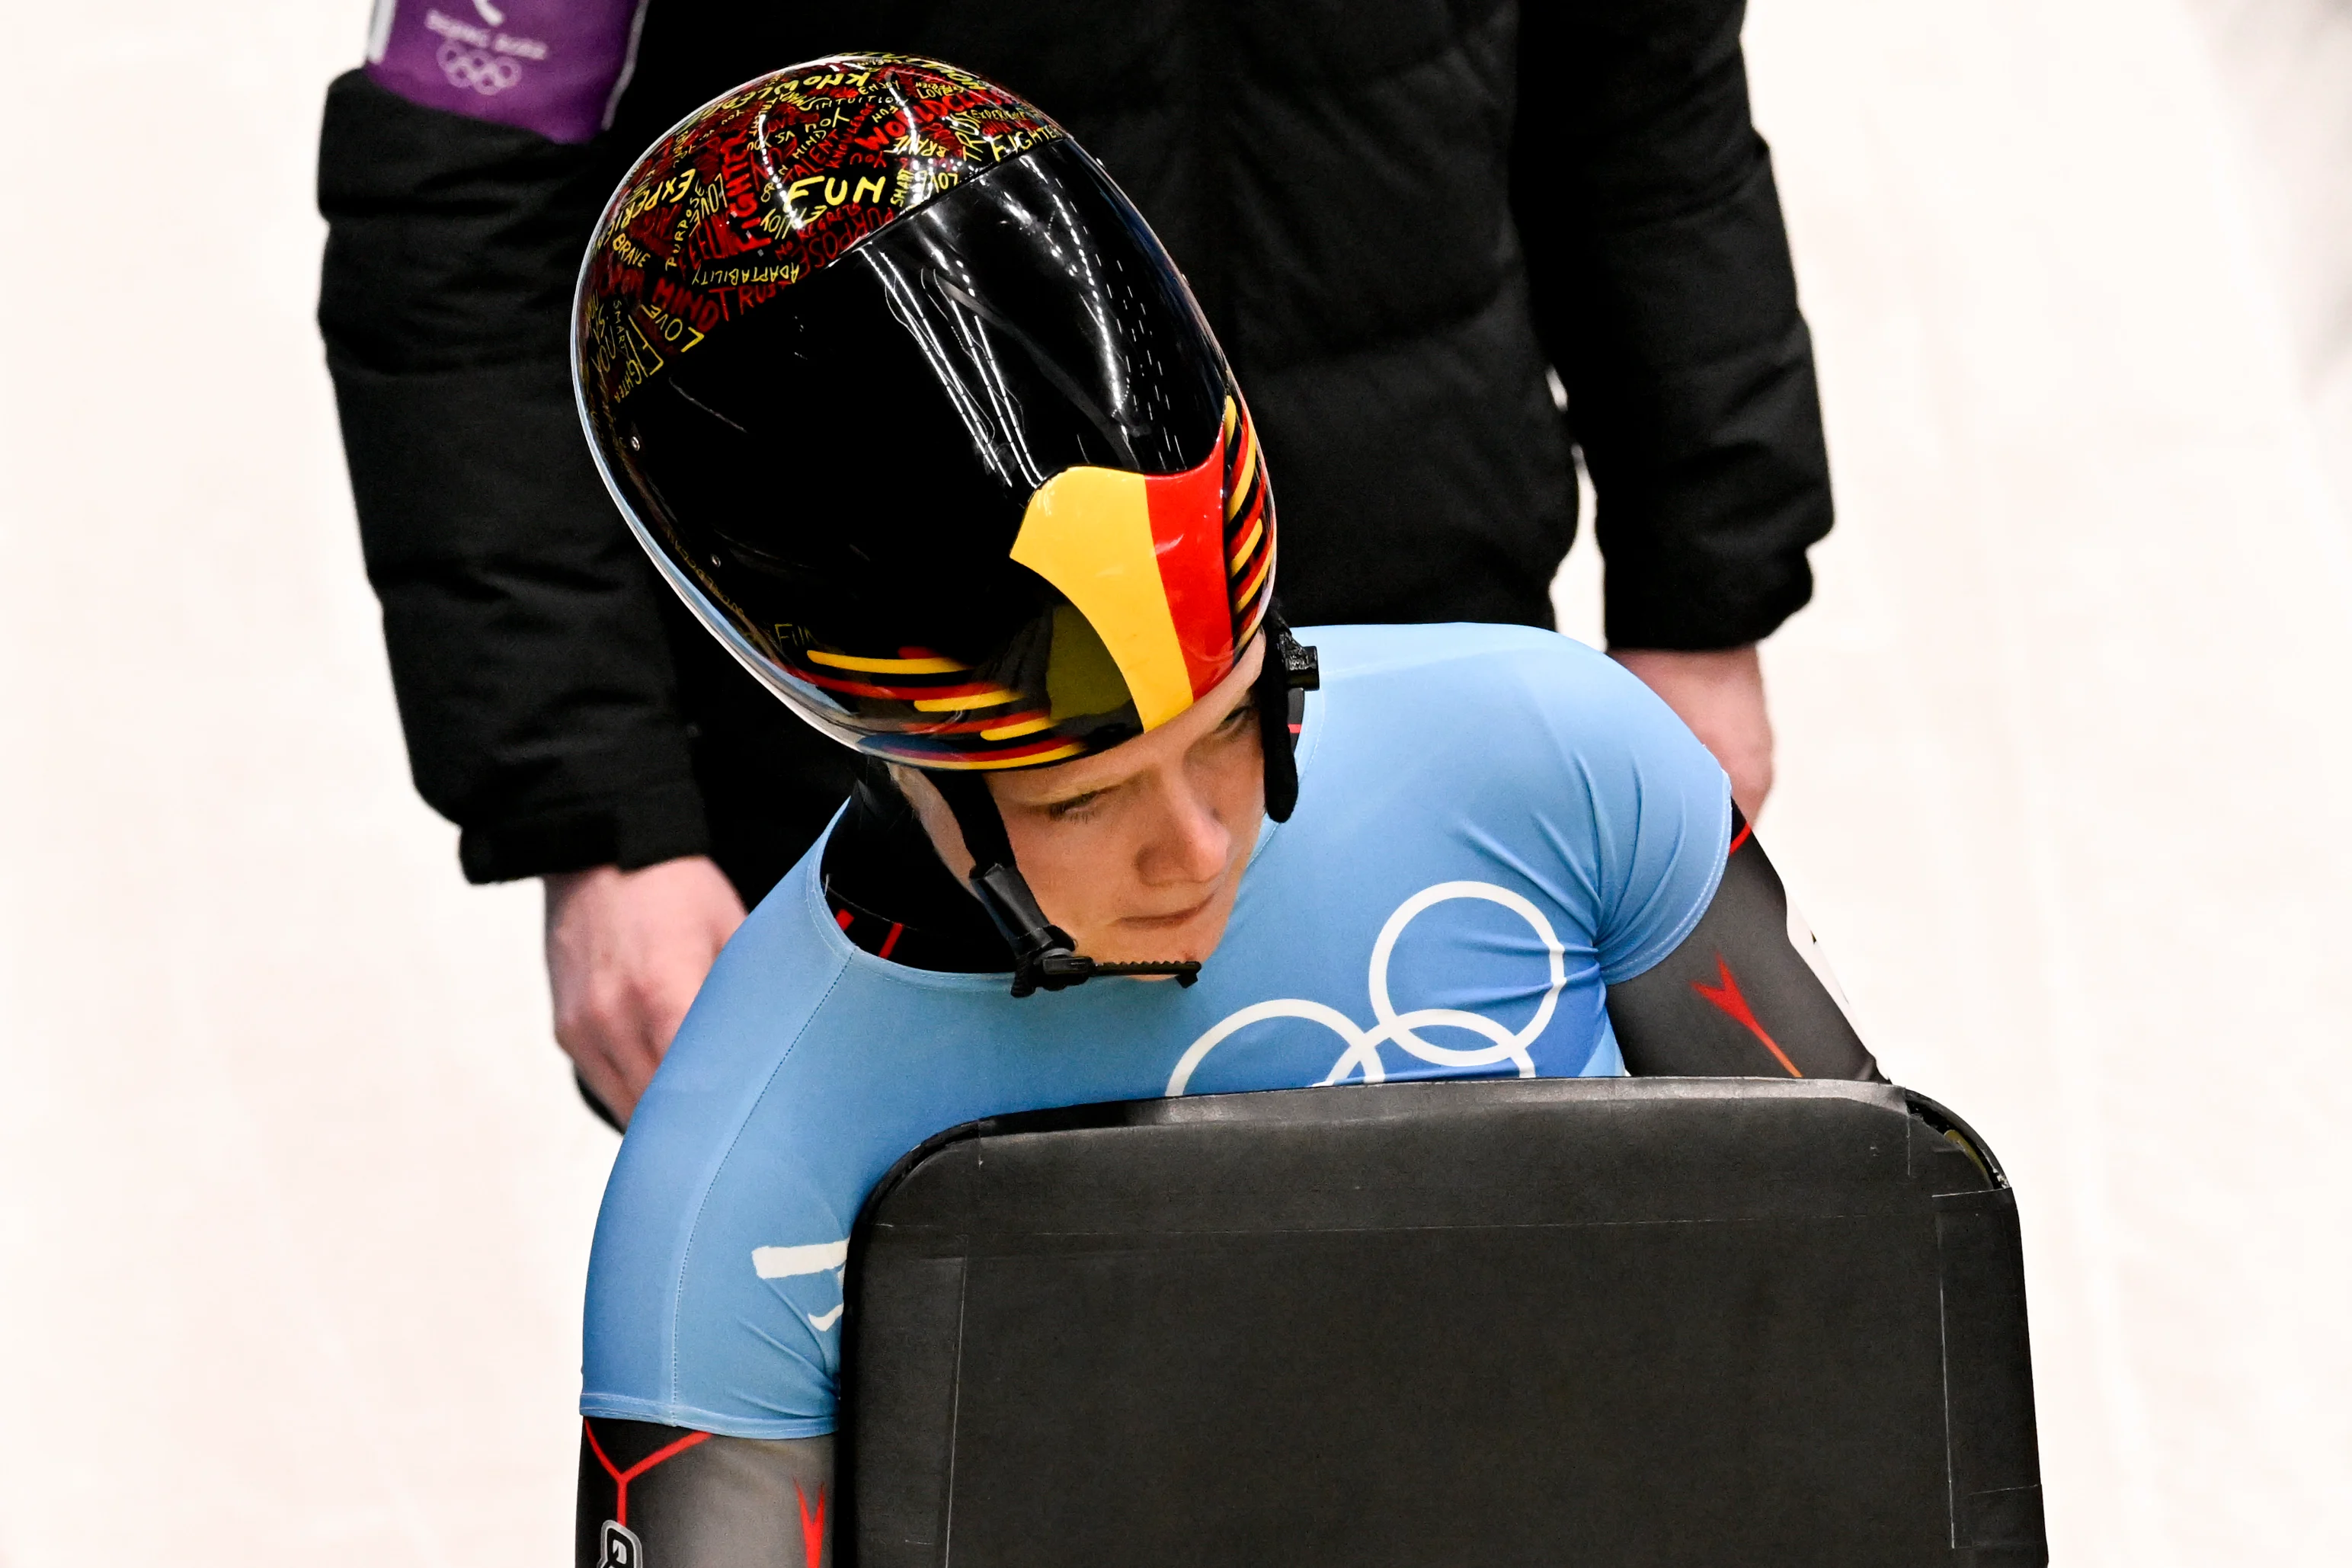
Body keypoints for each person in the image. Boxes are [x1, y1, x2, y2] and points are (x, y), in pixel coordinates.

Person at [560, 60, 1874, 1565]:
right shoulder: (732, 1192)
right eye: (1081, 796)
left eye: (1244, 723)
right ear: (895, 763)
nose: (1196, 845)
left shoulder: (1560, 755)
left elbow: (1869, 1336)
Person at [319, 0, 1835, 1126]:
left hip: (1401, 699)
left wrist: (1702, 596)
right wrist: (600, 819)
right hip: (910, 786)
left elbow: (1641, 83)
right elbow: (460, 217)